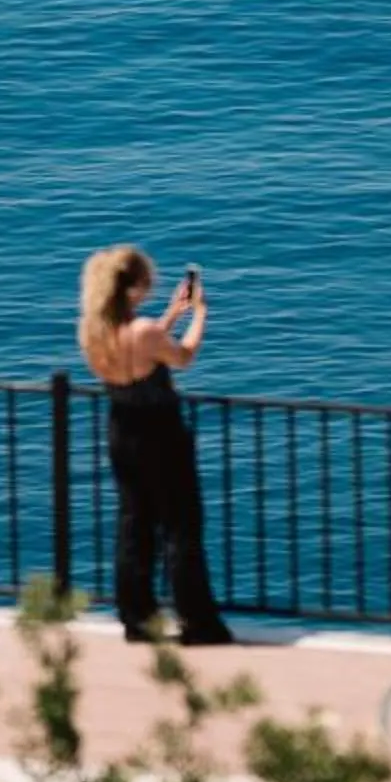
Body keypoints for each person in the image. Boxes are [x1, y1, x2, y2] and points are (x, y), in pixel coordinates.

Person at [76, 244, 235, 645]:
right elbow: (181, 357)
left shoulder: (94, 334)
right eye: (146, 283)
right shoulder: (143, 332)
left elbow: (141, 349)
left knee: (134, 524)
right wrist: (199, 314)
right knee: (181, 527)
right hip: (161, 435)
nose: (149, 289)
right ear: (130, 288)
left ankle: (136, 618)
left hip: (121, 433)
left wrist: (170, 315)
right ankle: (198, 623)